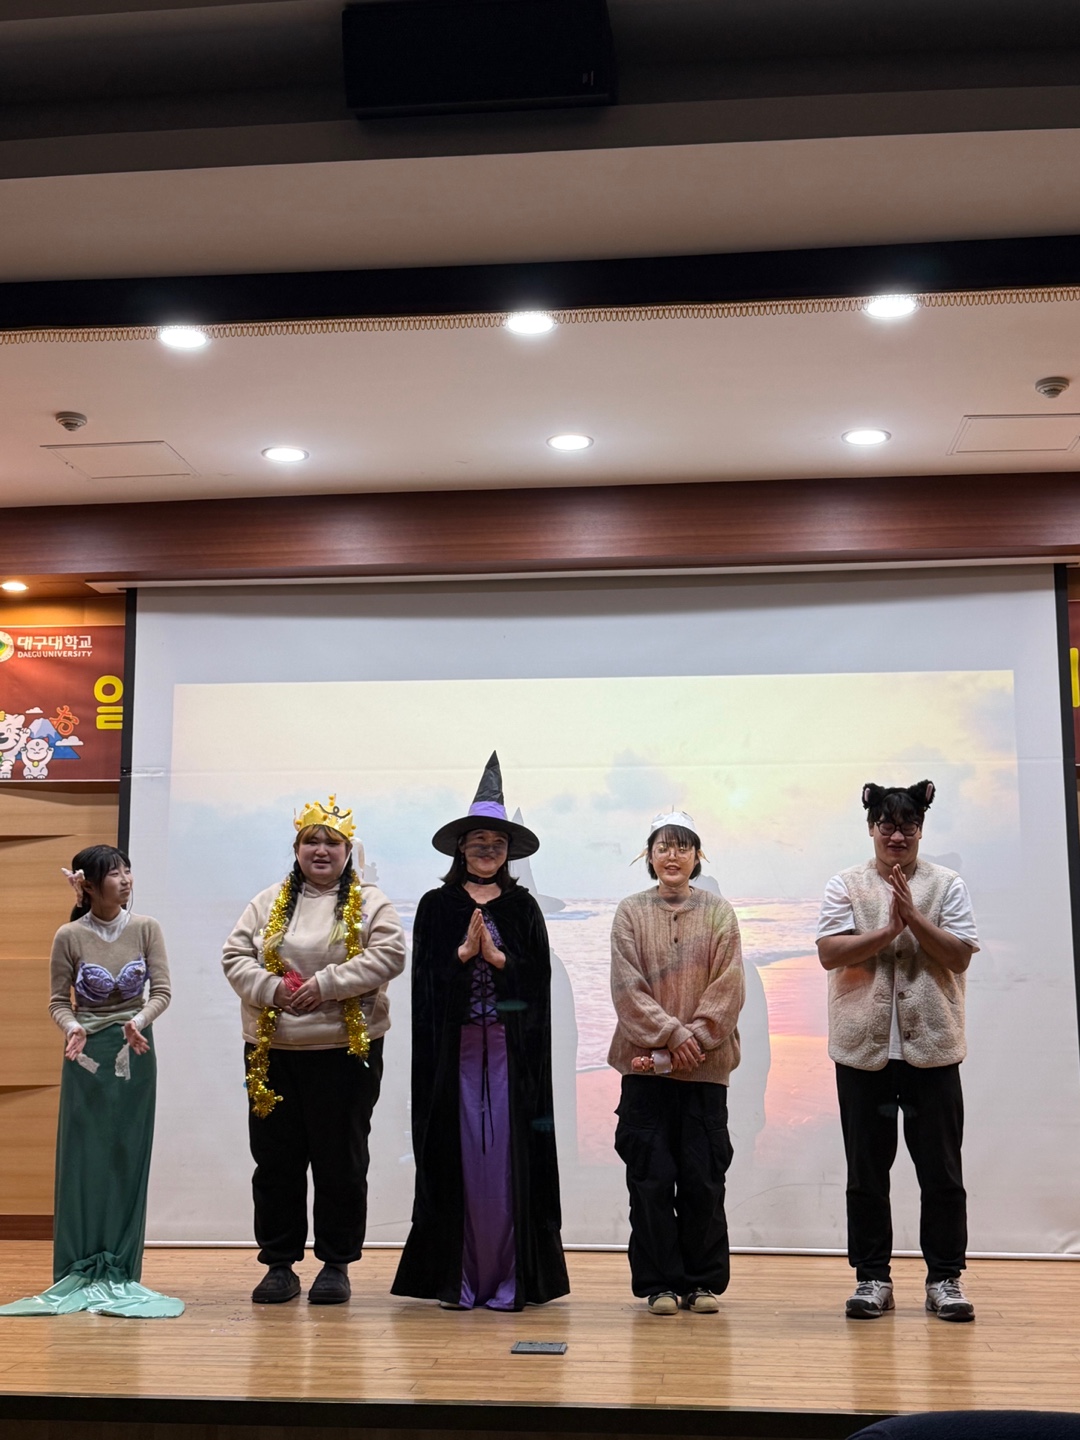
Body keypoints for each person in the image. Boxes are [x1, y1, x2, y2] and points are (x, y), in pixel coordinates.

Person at [392, 752, 569, 1311]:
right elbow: (424, 982)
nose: (487, 851)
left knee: (510, 1157)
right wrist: (462, 955)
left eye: (496, 843)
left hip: (512, 1057)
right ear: (461, 850)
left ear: (508, 851)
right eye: (478, 843)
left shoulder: (523, 908)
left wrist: (499, 960)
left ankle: (514, 1274)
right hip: (458, 1055)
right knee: (461, 1153)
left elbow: (538, 980)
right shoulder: (436, 906)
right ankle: (459, 1275)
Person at [222, 795, 405, 1305]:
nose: (321, 851)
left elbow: (391, 954)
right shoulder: (267, 901)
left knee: (340, 1162)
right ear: (297, 849)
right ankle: (279, 1264)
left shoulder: (371, 902)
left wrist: (325, 985)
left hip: (343, 1052)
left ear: (348, 851)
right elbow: (235, 956)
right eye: (311, 842)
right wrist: (272, 990)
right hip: (273, 1051)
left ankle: (336, 1263)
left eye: (332, 843)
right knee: (275, 1162)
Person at [817, 780, 979, 1323]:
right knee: (866, 1173)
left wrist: (914, 919)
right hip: (862, 1052)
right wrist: (888, 929)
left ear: (921, 830)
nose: (897, 835)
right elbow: (829, 952)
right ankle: (872, 1278)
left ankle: (945, 1279)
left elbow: (959, 957)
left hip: (933, 1050)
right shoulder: (845, 883)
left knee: (942, 1172)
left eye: (908, 825)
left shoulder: (948, 884)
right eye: (886, 824)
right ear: (871, 828)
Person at [0, 845, 182, 1318]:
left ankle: (122, 1265)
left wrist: (137, 1021)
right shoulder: (69, 935)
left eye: (127, 871)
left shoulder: (147, 928)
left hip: (135, 1050)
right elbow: (57, 1002)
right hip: (84, 1054)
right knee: (84, 1158)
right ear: (88, 885)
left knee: (126, 1155)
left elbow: (162, 992)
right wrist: (73, 1028)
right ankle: (77, 1263)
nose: (125, 880)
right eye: (114, 873)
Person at [608, 810, 745, 1316]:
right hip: (643, 1066)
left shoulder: (719, 912)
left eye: (682, 847)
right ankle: (659, 1284)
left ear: (697, 856)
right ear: (648, 856)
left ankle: (702, 1282)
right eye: (663, 847)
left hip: (705, 1068)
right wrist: (670, 1034)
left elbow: (730, 985)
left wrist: (695, 1038)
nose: (672, 856)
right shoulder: (629, 912)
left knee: (703, 1178)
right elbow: (626, 987)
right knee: (650, 1178)